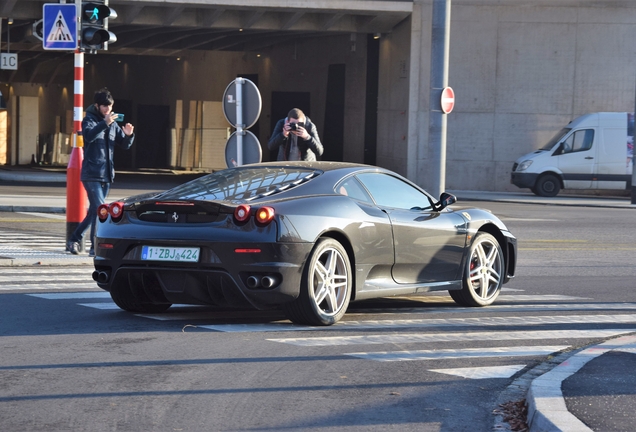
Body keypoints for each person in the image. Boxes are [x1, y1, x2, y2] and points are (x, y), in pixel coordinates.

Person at [66, 88, 134, 256]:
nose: (108, 110)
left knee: (94, 211)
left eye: (110, 106)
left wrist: (128, 136)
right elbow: (88, 136)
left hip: (106, 174)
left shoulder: (113, 124)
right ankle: (94, 246)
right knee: (100, 209)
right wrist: (105, 123)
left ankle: (74, 239)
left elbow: (124, 145)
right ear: (97, 106)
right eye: (104, 107)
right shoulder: (89, 120)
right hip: (91, 173)